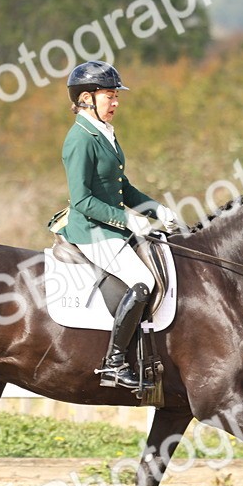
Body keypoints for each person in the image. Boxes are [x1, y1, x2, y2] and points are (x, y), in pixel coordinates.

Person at [60, 60, 178, 390]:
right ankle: (114, 362)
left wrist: (157, 210)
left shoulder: (103, 133)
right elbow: (82, 200)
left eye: (115, 96)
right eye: (109, 96)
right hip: (92, 231)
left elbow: (122, 186)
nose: (115, 103)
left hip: (112, 227)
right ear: (86, 99)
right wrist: (127, 219)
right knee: (142, 281)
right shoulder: (80, 140)